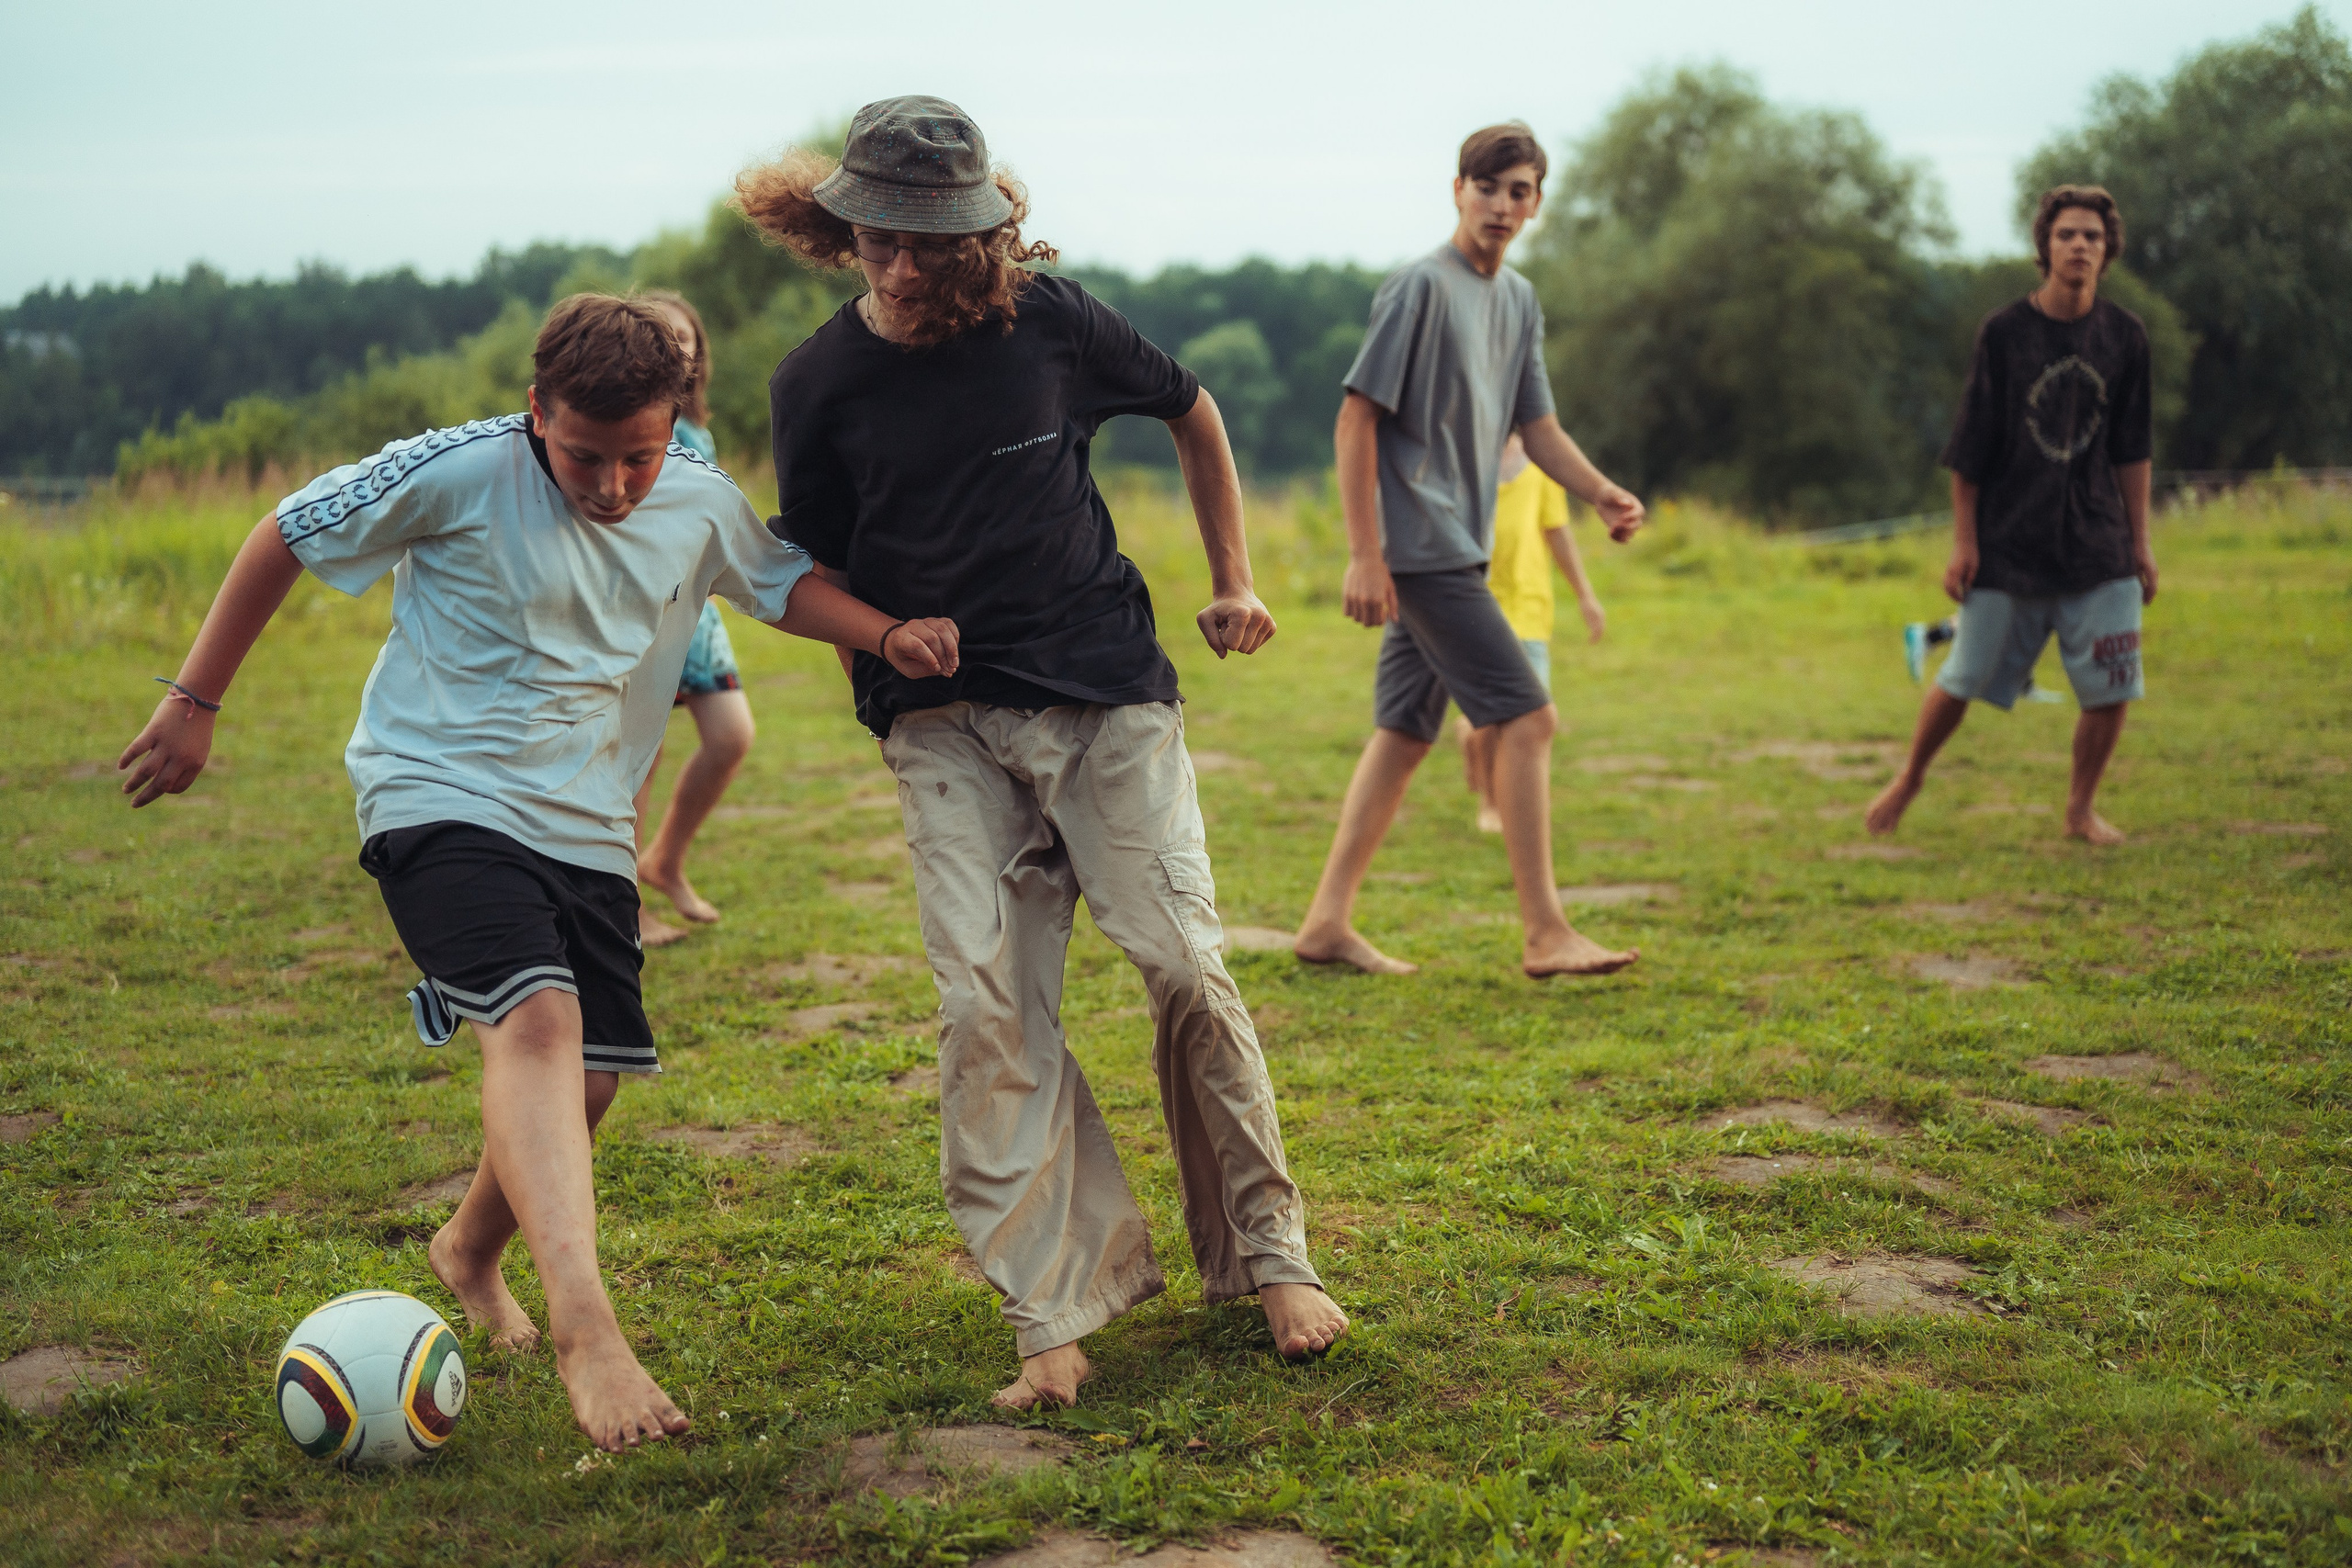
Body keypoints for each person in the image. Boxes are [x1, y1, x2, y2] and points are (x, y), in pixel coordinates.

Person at [114, 294, 959, 1450]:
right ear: (533, 415)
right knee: (538, 1024)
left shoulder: (699, 496)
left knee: (593, 1079)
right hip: (433, 791)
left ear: (675, 427)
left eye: (639, 459)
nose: (613, 486)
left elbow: (773, 583)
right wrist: (193, 702)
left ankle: (467, 1249)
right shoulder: (455, 471)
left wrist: (882, 632)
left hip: (588, 820)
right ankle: (589, 1335)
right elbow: (284, 533)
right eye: (583, 456)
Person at [735, 95, 1349, 1410]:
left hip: (1106, 691)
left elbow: (1195, 409)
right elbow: (810, 573)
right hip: (945, 726)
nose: (900, 266)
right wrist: (886, 652)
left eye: (928, 241)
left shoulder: (1050, 323)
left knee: (1186, 962)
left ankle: (1267, 1252)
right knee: (987, 1004)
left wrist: (1233, 576)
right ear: (845, 226)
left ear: (981, 234)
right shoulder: (816, 380)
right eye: (878, 237)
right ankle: (1050, 1310)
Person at [1293, 122, 1646, 980]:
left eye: (1518, 190)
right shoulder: (1419, 288)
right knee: (1528, 719)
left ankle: (1326, 922)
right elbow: (1356, 418)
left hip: (1460, 545)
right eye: (1486, 187)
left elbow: (1539, 427)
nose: (1501, 205)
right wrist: (1364, 553)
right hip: (1422, 546)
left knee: (1406, 732)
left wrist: (1598, 490)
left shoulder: (1518, 300)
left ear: (1536, 204)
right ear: (1458, 190)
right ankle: (1545, 931)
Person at [1865, 186, 2155, 844]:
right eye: (2066, 235)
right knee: (1962, 676)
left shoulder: (2125, 337)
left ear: (2107, 251)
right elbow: (1970, 449)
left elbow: (2132, 449)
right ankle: (1910, 775)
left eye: (2092, 236)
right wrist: (1963, 543)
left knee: (2114, 686)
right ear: (2045, 247)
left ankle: (2080, 809)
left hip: (2097, 540)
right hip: (2009, 540)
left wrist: (2141, 543)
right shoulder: (2004, 334)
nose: (2079, 245)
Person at [630, 289, 755, 944]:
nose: (681, 348)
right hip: (645, 611)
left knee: (731, 736)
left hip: (698, 615)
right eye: (665, 336)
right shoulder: (629, 421)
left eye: (688, 338)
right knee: (639, 761)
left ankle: (666, 859)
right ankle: (627, 910)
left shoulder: (697, 429)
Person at [1460, 429, 1604, 833]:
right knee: (1489, 719)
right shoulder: (1469, 461)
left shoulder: (1541, 469)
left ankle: (1508, 791)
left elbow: (1557, 532)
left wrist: (1585, 596)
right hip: (1478, 602)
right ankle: (1490, 803)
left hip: (1530, 606)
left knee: (1529, 713)